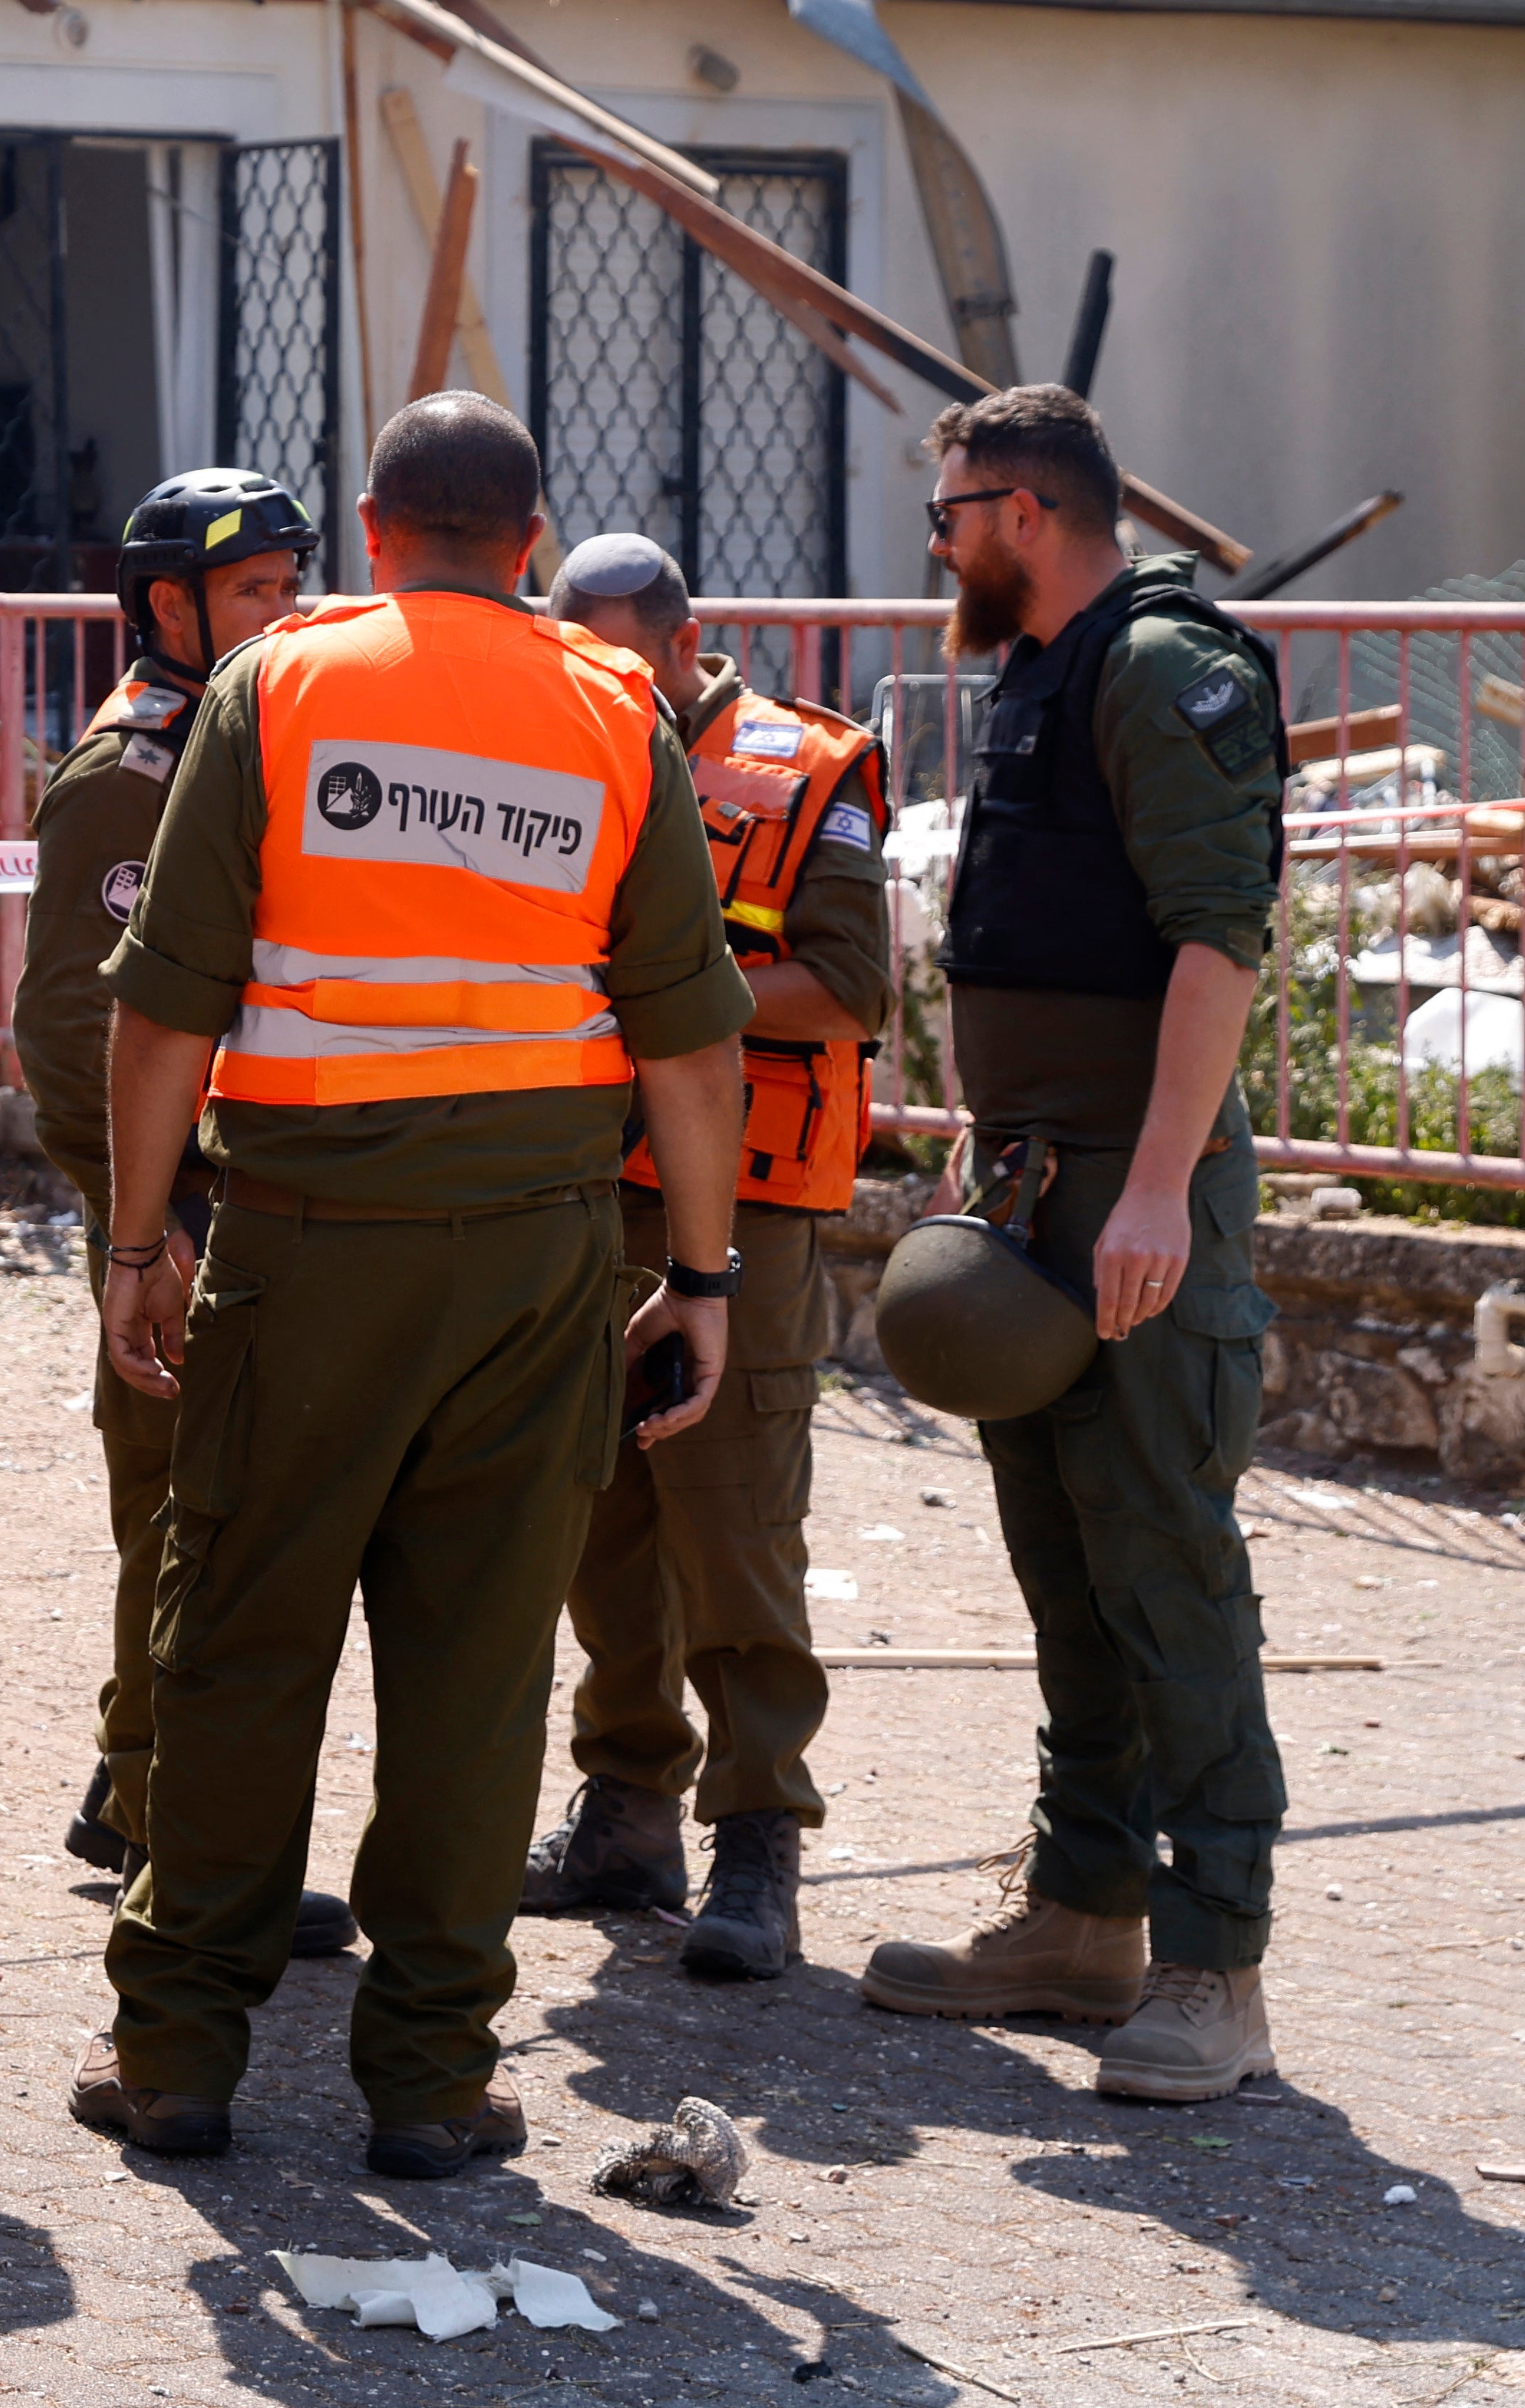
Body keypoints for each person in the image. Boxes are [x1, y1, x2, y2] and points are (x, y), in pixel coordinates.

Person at [74, 392, 752, 2176]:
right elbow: (693, 1046)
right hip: (536, 1257)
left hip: (299, 1240)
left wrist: (141, 1249)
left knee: (235, 1637)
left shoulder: (278, 686)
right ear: (530, 543)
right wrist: (704, 1276)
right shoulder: (619, 710)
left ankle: (177, 2055)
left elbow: (163, 1007)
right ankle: (434, 2076)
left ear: (371, 531)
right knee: (473, 1667)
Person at [857, 384, 1290, 2105]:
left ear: (1026, 507)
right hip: (1041, 1187)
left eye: (951, 511)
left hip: (1132, 1190)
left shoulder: (1158, 663)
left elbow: (1215, 940)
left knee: (1166, 1562)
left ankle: (1214, 1963)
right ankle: (1083, 1917)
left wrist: (1161, 1187)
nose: (940, 541)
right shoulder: (1042, 661)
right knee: (1066, 1567)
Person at [519, 531, 892, 1981]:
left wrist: (662, 1005)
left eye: (623, 659)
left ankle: (759, 1840)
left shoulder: (807, 768)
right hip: (578, 1188)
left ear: (685, 646)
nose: (600, 683)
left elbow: (851, 986)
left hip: (744, 1197)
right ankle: (625, 1809)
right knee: (597, 1515)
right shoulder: (550, 750)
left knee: (733, 1526)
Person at [11, 467, 352, 1965]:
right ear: (170, 606)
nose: (292, 613)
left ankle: (132, 1778)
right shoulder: (129, 775)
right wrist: (147, 1222)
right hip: (179, 1223)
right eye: (260, 591)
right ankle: (173, 1837)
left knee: (194, 1517)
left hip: (232, 1204)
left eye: (295, 583)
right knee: (185, 1525)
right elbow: (78, 1042)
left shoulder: (250, 737)